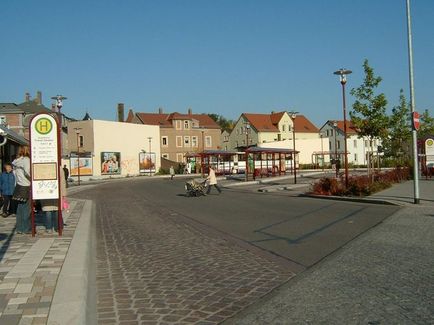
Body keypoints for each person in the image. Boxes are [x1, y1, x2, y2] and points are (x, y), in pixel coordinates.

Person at [12, 146, 31, 234]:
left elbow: (15, 174)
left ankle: (19, 228)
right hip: (26, 185)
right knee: (26, 209)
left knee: (19, 209)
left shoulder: (16, 162)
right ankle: (25, 228)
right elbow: (27, 172)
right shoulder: (26, 160)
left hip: (18, 186)